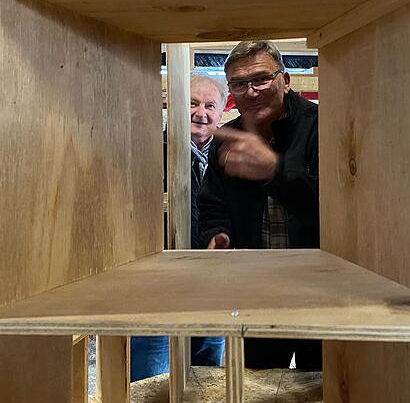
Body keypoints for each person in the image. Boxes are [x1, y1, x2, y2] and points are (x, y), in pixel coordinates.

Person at [198, 40, 321, 369]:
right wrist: (218, 234)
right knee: (258, 382)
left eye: (261, 79)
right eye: (239, 84)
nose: (250, 92)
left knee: (326, 380)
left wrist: (275, 170)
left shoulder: (321, 125)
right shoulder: (228, 136)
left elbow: (340, 204)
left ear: (285, 79)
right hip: (258, 288)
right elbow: (213, 203)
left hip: (323, 288)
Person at [130, 74, 227, 381]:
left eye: (210, 105)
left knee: (206, 381)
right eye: (192, 103)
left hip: (213, 294)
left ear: (221, 112)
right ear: (172, 107)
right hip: (155, 293)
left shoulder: (229, 159)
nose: (201, 113)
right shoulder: (147, 154)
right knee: (151, 381)